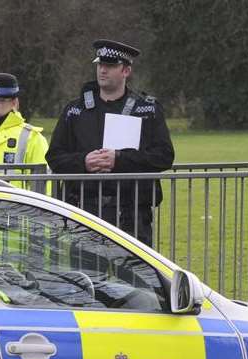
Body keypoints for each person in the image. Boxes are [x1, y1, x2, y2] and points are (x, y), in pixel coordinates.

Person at [46, 39, 175, 245]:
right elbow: (55, 156)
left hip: (131, 213)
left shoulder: (148, 109)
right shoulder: (74, 110)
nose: (102, 70)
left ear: (126, 71)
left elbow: (164, 156)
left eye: (110, 66)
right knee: (87, 276)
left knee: (133, 277)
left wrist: (120, 159)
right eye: (100, 65)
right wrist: (83, 162)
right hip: (84, 210)